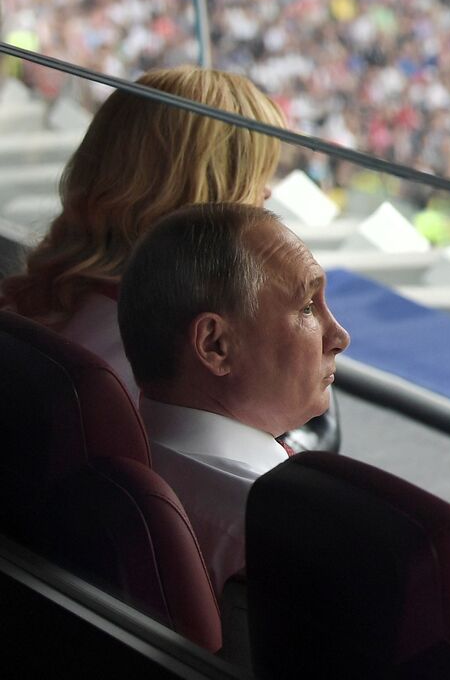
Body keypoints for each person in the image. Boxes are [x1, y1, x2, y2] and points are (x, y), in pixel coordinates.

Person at [1, 66, 284, 402]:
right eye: (255, 178)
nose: (266, 194)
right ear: (210, 198)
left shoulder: (53, 304)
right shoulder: (159, 366)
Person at [117, 203, 349, 592]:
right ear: (216, 344)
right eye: (307, 307)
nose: (340, 337)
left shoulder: (106, 450)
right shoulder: (277, 536)